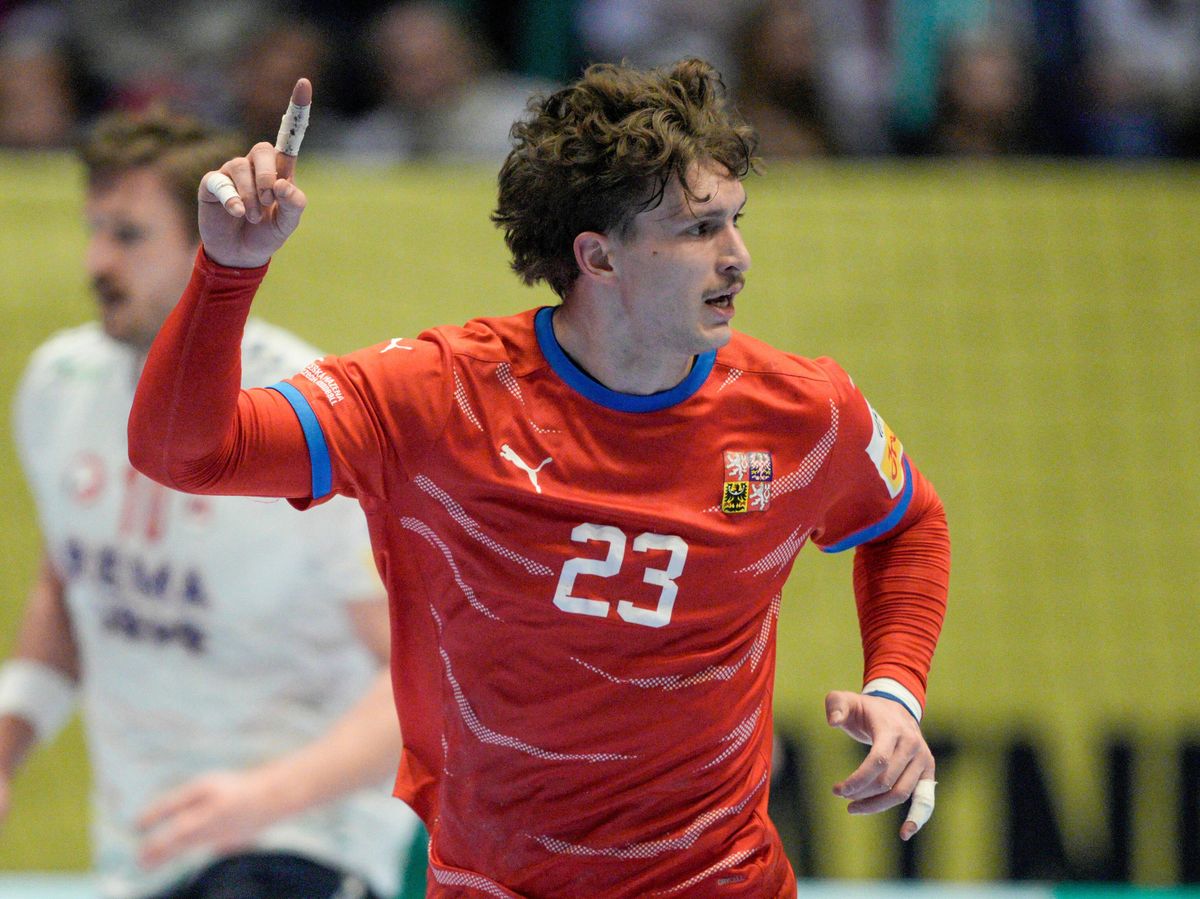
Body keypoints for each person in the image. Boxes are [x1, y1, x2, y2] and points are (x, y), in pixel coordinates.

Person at [129, 61, 950, 897]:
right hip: (492, 883)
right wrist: (226, 270)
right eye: (699, 229)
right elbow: (183, 453)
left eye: (735, 221)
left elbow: (909, 523)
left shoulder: (803, 411)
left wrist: (896, 689)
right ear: (598, 256)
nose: (738, 257)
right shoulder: (436, 398)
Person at [0, 108, 425, 898]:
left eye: (128, 235)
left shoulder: (305, 415)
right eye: (94, 230)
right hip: (145, 845)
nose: (96, 260)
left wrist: (266, 797)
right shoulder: (59, 385)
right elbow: (68, 583)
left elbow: (422, 666)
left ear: (206, 242)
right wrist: (8, 745)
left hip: (303, 838)